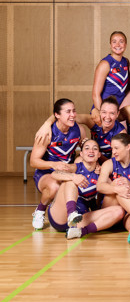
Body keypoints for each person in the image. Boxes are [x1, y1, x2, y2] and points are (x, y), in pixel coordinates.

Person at [46, 139, 124, 239]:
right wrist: (73, 177)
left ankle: (80, 232)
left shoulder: (101, 174)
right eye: (87, 148)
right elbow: (54, 174)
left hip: (80, 220)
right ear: (81, 154)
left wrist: (104, 178)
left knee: (119, 211)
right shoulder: (76, 167)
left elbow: (108, 194)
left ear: (99, 154)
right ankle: (71, 214)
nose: (91, 151)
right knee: (70, 180)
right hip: (60, 216)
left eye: (95, 149)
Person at [30, 99, 85, 230]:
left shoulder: (79, 129)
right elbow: (33, 161)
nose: (72, 114)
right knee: (54, 187)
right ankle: (40, 210)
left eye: (74, 111)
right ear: (57, 115)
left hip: (67, 171)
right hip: (46, 172)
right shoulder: (47, 133)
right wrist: (53, 164)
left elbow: (85, 149)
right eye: (68, 112)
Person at [35, 96, 125, 163]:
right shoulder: (93, 121)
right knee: (79, 161)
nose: (107, 117)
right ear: (99, 112)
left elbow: (114, 164)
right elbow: (66, 117)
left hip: (108, 163)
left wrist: (97, 155)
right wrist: (47, 124)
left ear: (117, 114)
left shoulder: (120, 133)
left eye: (112, 113)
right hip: (94, 159)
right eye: (104, 112)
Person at [96, 133, 130, 244]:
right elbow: (99, 186)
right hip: (110, 208)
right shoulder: (109, 163)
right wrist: (116, 189)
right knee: (120, 183)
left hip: (127, 211)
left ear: (128, 147)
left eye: (116, 148)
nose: (113, 152)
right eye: (112, 148)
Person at [91, 31, 130, 117]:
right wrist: (102, 115)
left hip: (117, 110)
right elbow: (95, 94)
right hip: (104, 111)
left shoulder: (125, 61)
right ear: (110, 45)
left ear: (125, 44)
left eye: (121, 41)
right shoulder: (105, 64)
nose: (118, 44)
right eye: (114, 41)